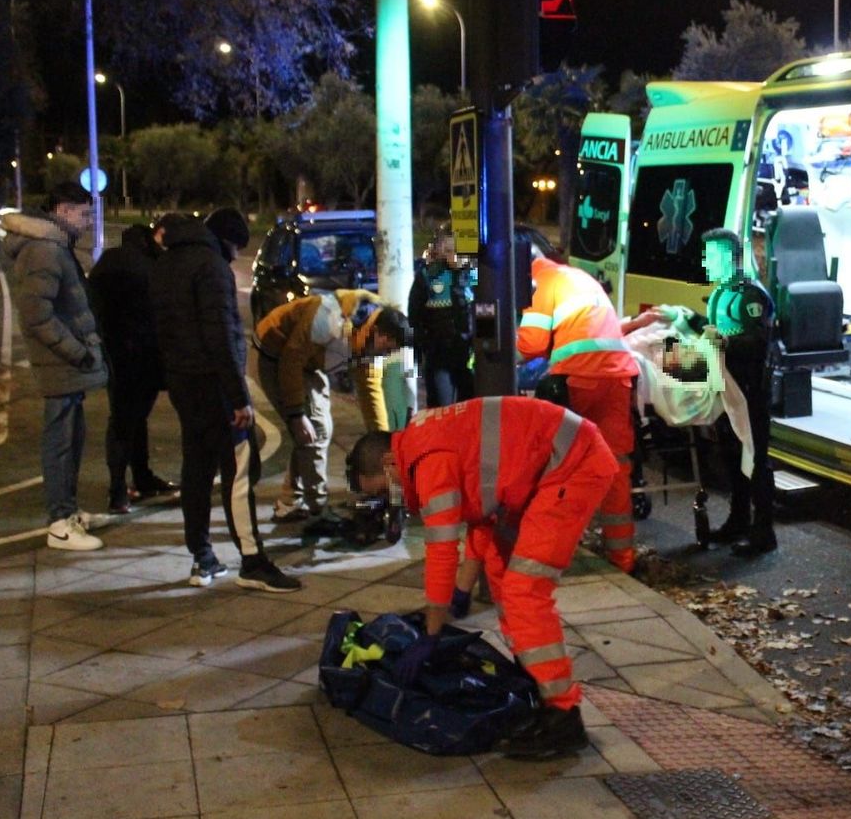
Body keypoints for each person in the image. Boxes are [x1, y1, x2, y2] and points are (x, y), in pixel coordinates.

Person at [347, 395, 618, 759]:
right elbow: (481, 516)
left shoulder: (427, 462)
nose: (389, 500)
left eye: (382, 490)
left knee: (524, 591)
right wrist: (461, 589)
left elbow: (442, 550)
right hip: (555, 465)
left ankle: (564, 715)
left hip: (571, 465)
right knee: (502, 573)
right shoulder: (421, 443)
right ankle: (541, 691)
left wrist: (432, 629)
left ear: (388, 462)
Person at [150, 207, 300, 592]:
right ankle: (252, 560)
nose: (236, 257)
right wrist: (239, 398)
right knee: (239, 471)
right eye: (236, 248)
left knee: (196, 469)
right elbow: (219, 336)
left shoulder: (167, 263)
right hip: (215, 386)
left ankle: (202, 557)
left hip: (183, 383)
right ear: (227, 242)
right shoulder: (211, 268)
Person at [515, 228, 641, 573]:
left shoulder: (540, 283)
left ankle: (555, 546)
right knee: (614, 465)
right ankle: (622, 557)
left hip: (579, 379)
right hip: (617, 376)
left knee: (566, 463)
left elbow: (531, 344)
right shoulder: (577, 276)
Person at [0, 184, 111, 551]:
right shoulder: (45, 250)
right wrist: (76, 351)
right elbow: (36, 316)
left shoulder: (54, 245)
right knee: (60, 441)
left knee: (71, 438)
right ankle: (60, 524)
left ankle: (69, 512)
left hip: (65, 362)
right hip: (60, 362)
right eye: (83, 212)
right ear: (62, 210)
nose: (88, 219)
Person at [253, 289, 410, 521]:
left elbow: (370, 394)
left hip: (309, 362)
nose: (385, 355)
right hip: (276, 353)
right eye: (387, 350)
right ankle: (317, 508)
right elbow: (291, 360)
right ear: (381, 336)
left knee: (313, 428)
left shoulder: (370, 340)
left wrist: (384, 449)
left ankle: (289, 501)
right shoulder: (328, 318)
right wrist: (296, 414)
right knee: (314, 430)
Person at [673, 227, 777, 555]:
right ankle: (738, 521)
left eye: (711, 255)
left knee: (755, 460)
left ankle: (763, 532)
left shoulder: (750, 295)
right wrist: (685, 319)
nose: (705, 261)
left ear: (731, 258)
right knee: (733, 458)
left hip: (749, 392)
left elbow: (759, 339)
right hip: (725, 392)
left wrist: (726, 342)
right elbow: (714, 326)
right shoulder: (722, 292)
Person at [87, 223, 178, 514]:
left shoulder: (105, 264)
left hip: (115, 355)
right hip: (145, 355)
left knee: (125, 420)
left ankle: (127, 485)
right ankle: (129, 484)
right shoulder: (150, 266)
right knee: (132, 421)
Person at [408, 225, 475, 408]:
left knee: (470, 410)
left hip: (470, 356)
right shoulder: (429, 276)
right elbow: (414, 317)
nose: (454, 255)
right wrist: (422, 349)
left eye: (456, 250)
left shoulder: (475, 275)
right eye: (448, 250)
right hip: (440, 356)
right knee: (443, 408)